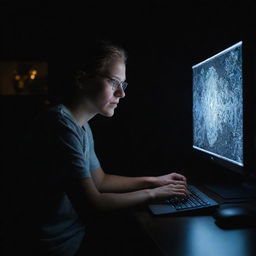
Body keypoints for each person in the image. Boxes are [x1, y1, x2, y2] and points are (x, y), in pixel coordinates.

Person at [9, 40, 189, 256]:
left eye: (123, 84)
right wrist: (152, 194)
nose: (121, 93)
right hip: (53, 248)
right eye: (114, 82)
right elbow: (94, 203)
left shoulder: (81, 126)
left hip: (73, 237)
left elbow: (100, 180)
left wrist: (154, 180)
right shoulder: (60, 125)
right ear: (81, 79)